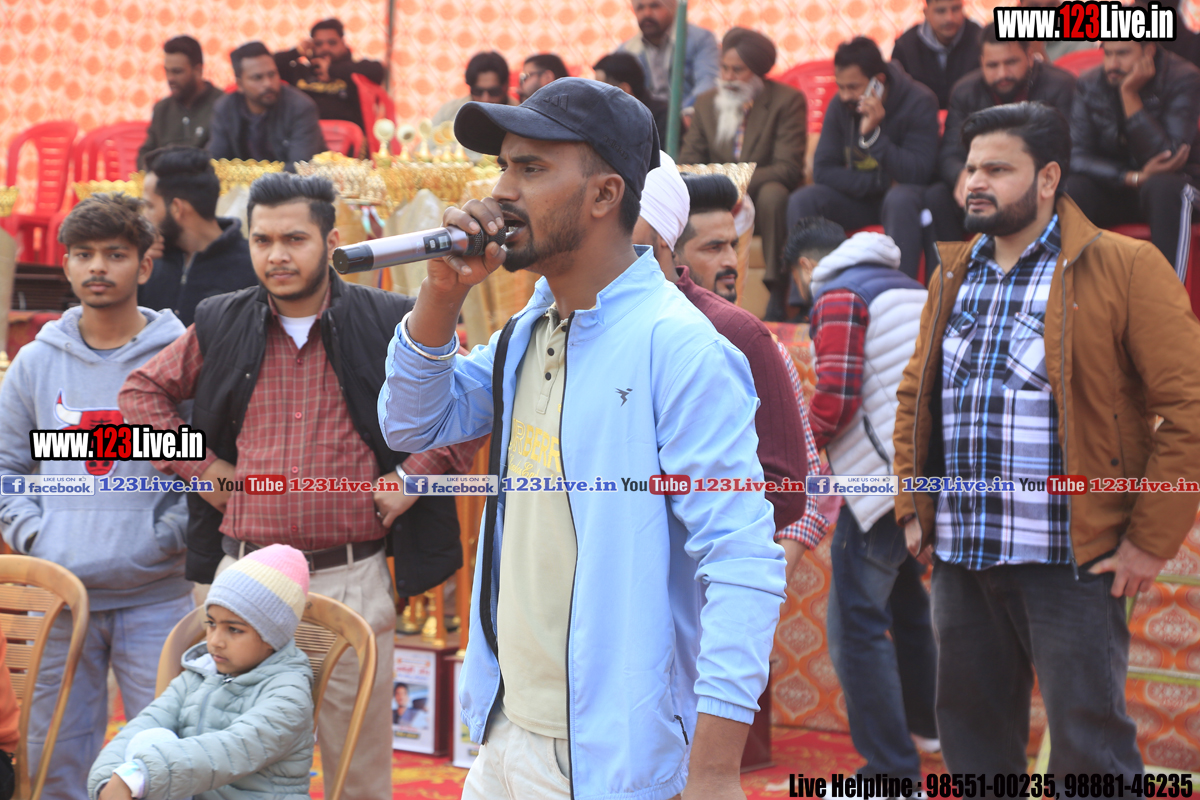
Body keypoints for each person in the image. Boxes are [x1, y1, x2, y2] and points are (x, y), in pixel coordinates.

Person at [380, 77, 787, 799]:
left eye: (531, 168)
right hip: (505, 730)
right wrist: (442, 293)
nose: (502, 191)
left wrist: (715, 772)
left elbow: (741, 563)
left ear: (604, 194)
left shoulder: (679, 347)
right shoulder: (527, 330)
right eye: (503, 166)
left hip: (609, 756)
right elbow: (411, 425)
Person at [118, 173, 483, 800]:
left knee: (357, 773)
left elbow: (470, 401)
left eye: (294, 239)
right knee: (228, 770)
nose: (276, 255)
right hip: (240, 583)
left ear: (331, 241)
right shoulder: (222, 321)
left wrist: (412, 477)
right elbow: (140, 393)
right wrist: (198, 465)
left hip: (347, 580)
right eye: (262, 240)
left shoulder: (389, 319)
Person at [894, 102, 1200, 774]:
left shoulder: (1124, 265)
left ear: (1048, 178)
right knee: (974, 749)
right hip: (963, 558)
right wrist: (914, 507)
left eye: (998, 169)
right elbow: (916, 397)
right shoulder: (952, 272)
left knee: (1090, 753)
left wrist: (1151, 540)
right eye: (971, 167)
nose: (976, 181)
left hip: (1073, 560)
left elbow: (1189, 408)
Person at [0, 193, 194, 800]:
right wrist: (38, 538)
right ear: (66, 265)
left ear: (144, 265)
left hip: (156, 597)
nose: (98, 267)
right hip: (59, 602)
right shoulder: (34, 363)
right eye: (83, 254)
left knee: (166, 760)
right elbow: (6, 467)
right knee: (51, 761)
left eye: (115, 253)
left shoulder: (181, 356)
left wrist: (165, 537)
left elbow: (206, 465)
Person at [788, 218, 939, 781]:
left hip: (880, 484)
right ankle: (926, 727)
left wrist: (799, 448)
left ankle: (891, 773)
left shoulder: (839, 295)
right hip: (921, 474)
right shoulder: (906, 285)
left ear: (806, 267)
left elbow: (837, 396)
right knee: (906, 603)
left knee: (854, 624)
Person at [635, 155, 826, 579]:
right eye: (713, 247)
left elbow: (797, 488)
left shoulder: (749, 338)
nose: (730, 262)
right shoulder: (630, 325)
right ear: (669, 249)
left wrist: (751, 580)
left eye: (733, 246)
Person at [87, 545, 315, 800]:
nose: (215, 641)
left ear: (272, 636)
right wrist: (108, 779)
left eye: (234, 629)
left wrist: (139, 777)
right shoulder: (200, 673)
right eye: (211, 624)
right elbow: (145, 724)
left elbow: (231, 750)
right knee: (148, 738)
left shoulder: (289, 693)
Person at [787, 37, 939, 284]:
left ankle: (898, 291)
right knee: (804, 199)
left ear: (878, 81)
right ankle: (806, 295)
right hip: (862, 197)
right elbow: (823, 170)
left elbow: (917, 172)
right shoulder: (841, 105)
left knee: (900, 198)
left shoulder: (919, 100)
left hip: (903, 203)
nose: (845, 95)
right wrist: (880, 182)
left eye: (853, 87)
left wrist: (873, 137)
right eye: (841, 87)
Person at [680, 28, 806, 322]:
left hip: (762, 198)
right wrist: (723, 185)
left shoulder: (787, 101)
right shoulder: (706, 103)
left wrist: (736, 182)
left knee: (774, 193)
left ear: (758, 72)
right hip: (717, 196)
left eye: (738, 70)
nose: (728, 77)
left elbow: (787, 168)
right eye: (724, 68)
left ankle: (776, 291)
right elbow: (688, 162)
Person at [927, 23, 1076, 242]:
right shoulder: (964, 92)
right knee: (937, 195)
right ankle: (954, 264)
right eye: (992, 65)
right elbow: (949, 153)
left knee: (1073, 189)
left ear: (1030, 56)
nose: (1002, 73)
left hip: (1037, 181)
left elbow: (1069, 151)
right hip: (983, 180)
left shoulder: (1061, 85)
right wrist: (962, 174)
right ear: (981, 62)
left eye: (1011, 62)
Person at [1066, 40, 1200, 281]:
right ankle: (1076, 294)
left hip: (1179, 186)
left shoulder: (1183, 77)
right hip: (1124, 186)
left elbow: (1169, 156)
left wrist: (1129, 95)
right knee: (1073, 188)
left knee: (1161, 187)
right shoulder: (1090, 83)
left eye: (1122, 53)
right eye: (1108, 54)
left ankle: (1165, 299)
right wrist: (1132, 178)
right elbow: (1076, 156)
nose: (1112, 64)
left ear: (1148, 50)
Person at [139, 146, 257, 326]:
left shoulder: (252, 265)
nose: (143, 217)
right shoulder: (147, 260)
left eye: (150, 206)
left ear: (177, 208)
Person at [207, 42, 326, 170]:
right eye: (257, 78)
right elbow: (215, 161)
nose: (268, 83)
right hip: (243, 181)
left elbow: (300, 167)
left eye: (272, 74)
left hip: (292, 181)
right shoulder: (225, 108)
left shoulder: (300, 107)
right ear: (240, 85)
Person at [274, 18, 387, 132]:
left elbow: (378, 70)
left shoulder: (353, 71)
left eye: (332, 42)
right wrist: (296, 51)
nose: (325, 48)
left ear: (343, 43)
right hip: (303, 135)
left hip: (347, 137)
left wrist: (331, 70)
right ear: (311, 46)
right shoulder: (300, 72)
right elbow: (268, 66)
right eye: (318, 44)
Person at [137, 36, 225, 169]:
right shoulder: (162, 110)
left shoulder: (223, 106)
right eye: (167, 71)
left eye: (177, 72)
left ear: (198, 70)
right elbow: (145, 156)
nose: (170, 78)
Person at [619, 0, 719, 115]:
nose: (647, 13)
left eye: (654, 6)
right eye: (640, 8)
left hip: (688, 117)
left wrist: (685, 113)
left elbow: (708, 83)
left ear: (672, 7)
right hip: (645, 120)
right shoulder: (626, 51)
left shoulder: (700, 40)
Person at [891, 0, 982, 109]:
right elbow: (896, 97)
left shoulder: (980, 41)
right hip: (920, 117)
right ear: (926, 13)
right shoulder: (905, 46)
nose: (949, 18)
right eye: (940, 11)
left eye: (955, 9)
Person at [593, 52, 669, 137]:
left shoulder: (663, 118)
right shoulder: (602, 119)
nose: (596, 96)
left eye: (601, 89)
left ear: (624, 90)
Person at [432, 52, 512, 127]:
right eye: (478, 92)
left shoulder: (518, 116)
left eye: (494, 92)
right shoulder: (449, 111)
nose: (485, 99)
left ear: (506, 86)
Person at [1019, 0, 1099, 63]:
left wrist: (1038, 51)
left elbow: (1073, 78)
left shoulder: (1080, 41)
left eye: (1051, 6)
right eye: (1034, 6)